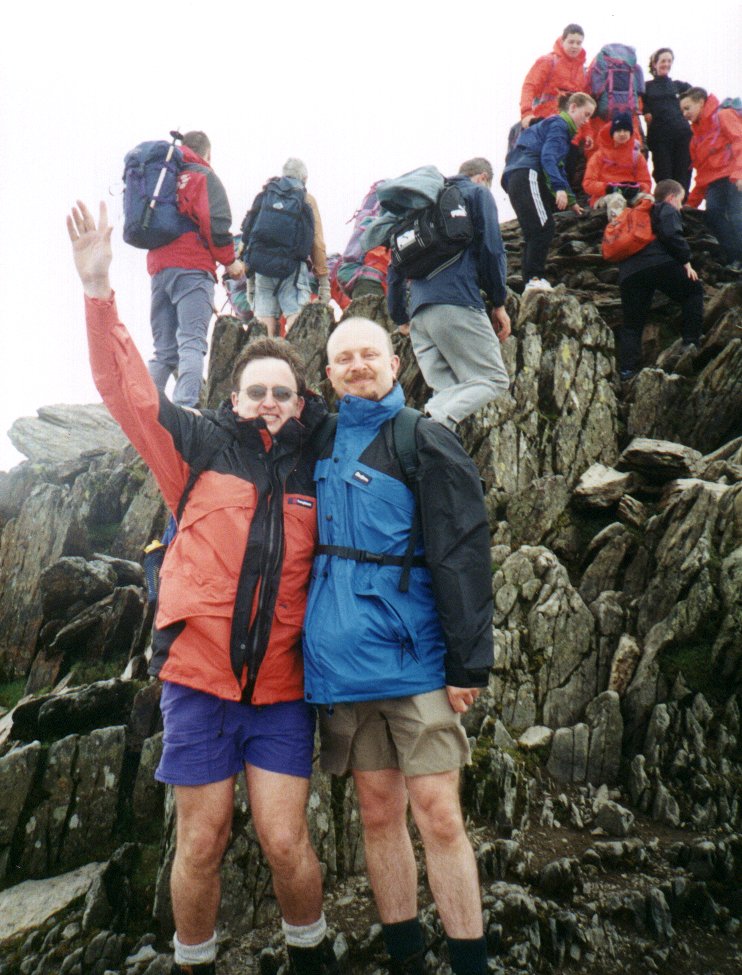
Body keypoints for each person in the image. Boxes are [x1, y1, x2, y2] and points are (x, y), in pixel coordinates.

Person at [67, 201, 338, 975]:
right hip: (198, 683)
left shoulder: (317, 465)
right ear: (234, 395)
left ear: (299, 401)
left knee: (287, 841)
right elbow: (125, 389)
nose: (269, 403)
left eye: (283, 392)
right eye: (256, 391)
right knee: (202, 838)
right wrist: (97, 288)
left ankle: (312, 957)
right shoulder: (196, 449)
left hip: (283, 689)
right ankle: (195, 963)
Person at [303, 316, 495, 975]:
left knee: (439, 815)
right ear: (327, 374)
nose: (357, 365)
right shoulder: (317, 441)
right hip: (341, 671)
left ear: (395, 363)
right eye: (343, 357)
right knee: (377, 813)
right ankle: (406, 959)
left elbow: (463, 552)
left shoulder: (424, 439)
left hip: (416, 666)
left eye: (369, 354)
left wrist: (468, 662)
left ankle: (471, 963)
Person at [386, 157, 511, 430]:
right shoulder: (477, 193)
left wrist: (400, 316)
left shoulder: (424, 204)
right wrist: (499, 302)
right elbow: (492, 249)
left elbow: (395, 263)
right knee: (493, 379)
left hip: (420, 314)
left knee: (446, 394)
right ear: (481, 177)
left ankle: (429, 447)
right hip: (457, 301)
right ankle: (425, 428)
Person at [146, 130, 244, 408]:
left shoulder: (163, 174)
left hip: (159, 269)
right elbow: (216, 226)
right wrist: (230, 262)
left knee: (163, 351)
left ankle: (147, 410)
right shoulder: (203, 175)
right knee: (191, 342)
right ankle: (185, 410)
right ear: (207, 153)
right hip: (191, 269)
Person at [503, 92, 596, 290]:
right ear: (572, 108)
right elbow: (548, 158)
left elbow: (558, 165)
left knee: (534, 231)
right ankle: (535, 278)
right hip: (528, 173)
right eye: (586, 114)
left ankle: (530, 282)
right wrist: (559, 189)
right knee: (544, 226)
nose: (586, 121)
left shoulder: (560, 129)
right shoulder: (559, 125)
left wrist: (571, 201)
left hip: (516, 177)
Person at [616, 179, 704, 380]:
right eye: (681, 201)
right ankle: (691, 344)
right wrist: (686, 261)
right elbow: (671, 233)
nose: (681, 207)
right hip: (659, 264)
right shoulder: (665, 207)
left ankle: (627, 370)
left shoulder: (635, 214)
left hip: (629, 272)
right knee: (693, 291)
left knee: (632, 323)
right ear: (672, 197)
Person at [245, 158, 329, 337]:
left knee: (264, 325)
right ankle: (296, 361)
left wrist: (246, 269)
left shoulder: (266, 194)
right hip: (291, 271)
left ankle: (263, 359)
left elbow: (248, 231)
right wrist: (323, 281)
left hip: (262, 269)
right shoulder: (306, 199)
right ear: (304, 178)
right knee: (295, 321)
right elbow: (317, 242)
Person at [680, 87, 742, 270]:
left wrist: (740, 173)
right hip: (715, 183)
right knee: (713, 215)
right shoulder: (696, 139)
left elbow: (740, 141)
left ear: (700, 102)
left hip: (733, 176)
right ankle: (735, 259)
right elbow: (702, 174)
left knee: (737, 216)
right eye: (682, 110)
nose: (684, 114)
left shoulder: (723, 115)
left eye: (687, 108)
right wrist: (690, 204)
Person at [643, 48, 692, 191]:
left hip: (682, 135)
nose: (666, 64)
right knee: (664, 175)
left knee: (683, 173)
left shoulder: (679, 86)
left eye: (669, 61)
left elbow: (699, 97)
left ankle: (682, 208)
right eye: (663, 61)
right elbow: (638, 103)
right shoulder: (646, 87)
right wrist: (646, 111)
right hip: (659, 138)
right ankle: (665, 207)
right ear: (654, 64)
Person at [520, 24, 587, 129]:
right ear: (562, 41)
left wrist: (586, 131)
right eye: (571, 42)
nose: (575, 46)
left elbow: (584, 103)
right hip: (545, 120)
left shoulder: (582, 70)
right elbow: (529, 86)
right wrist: (526, 113)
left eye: (579, 43)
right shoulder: (548, 61)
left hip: (571, 124)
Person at [582, 111, 652, 207]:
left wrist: (637, 188)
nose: (622, 134)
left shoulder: (637, 157)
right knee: (617, 200)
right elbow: (588, 183)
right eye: (618, 130)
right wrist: (609, 188)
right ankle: (617, 222)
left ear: (631, 133)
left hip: (631, 196)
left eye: (626, 130)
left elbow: (646, 182)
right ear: (612, 133)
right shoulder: (599, 155)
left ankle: (641, 222)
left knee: (649, 200)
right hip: (604, 196)